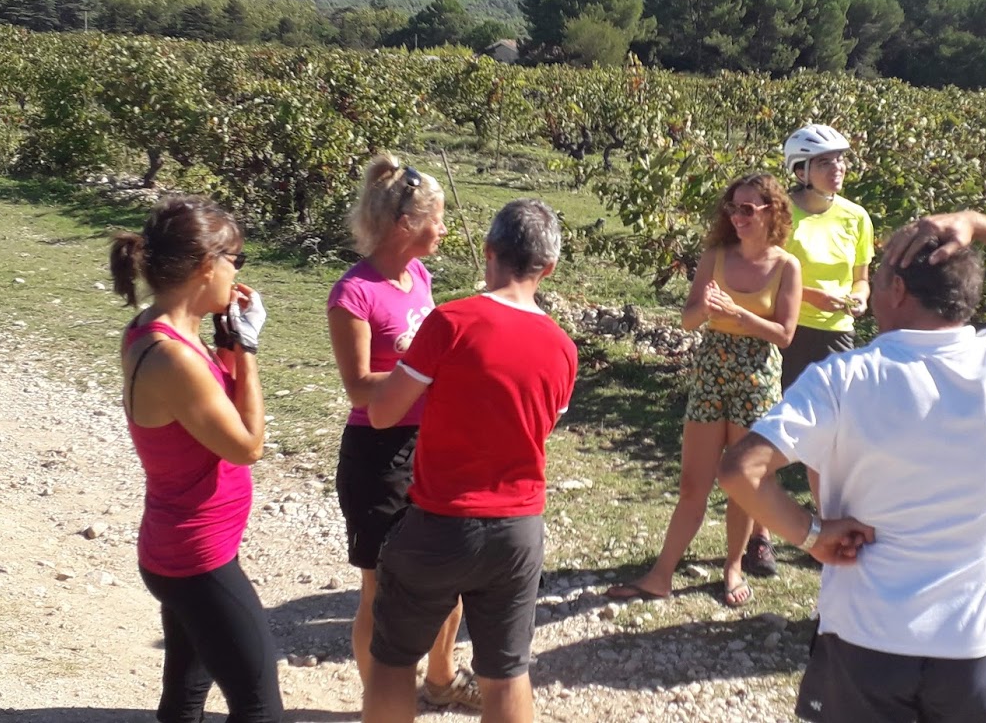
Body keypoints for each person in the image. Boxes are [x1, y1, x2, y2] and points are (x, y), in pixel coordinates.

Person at [720, 210, 986, 723]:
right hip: (973, 648)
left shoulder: (843, 379)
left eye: (881, 269)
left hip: (864, 641)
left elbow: (741, 469)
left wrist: (811, 535)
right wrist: (973, 222)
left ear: (899, 291)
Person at [361, 198, 578, 723]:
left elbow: (383, 415)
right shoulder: (563, 347)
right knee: (506, 673)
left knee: (392, 662)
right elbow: (540, 428)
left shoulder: (450, 321)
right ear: (547, 269)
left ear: (488, 252)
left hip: (440, 521)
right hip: (518, 530)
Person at [110, 195, 282, 723]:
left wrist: (228, 339)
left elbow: (211, 411)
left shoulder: (157, 329)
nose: (239, 272)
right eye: (238, 259)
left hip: (179, 546)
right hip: (197, 556)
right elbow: (246, 445)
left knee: (186, 694)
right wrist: (248, 350)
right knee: (259, 708)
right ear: (209, 265)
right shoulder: (172, 357)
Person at [606, 173, 802, 607]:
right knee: (694, 484)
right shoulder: (715, 255)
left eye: (747, 209)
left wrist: (738, 314)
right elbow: (688, 319)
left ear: (772, 211)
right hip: (711, 372)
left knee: (742, 484)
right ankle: (661, 575)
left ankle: (733, 567)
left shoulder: (787, 266)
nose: (737, 217)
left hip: (756, 379)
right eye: (732, 208)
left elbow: (785, 335)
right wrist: (706, 311)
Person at [326, 155, 479, 709]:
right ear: (405, 224)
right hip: (378, 455)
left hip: (430, 446)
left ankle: (440, 681)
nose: (443, 229)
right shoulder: (353, 294)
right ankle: (381, 704)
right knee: (379, 592)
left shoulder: (418, 275)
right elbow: (360, 386)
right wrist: (428, 376)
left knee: (449, 576)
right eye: (435, 219)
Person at [744, 125, 874, 579]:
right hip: (786, 331)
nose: (837, 168)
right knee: (773, 430)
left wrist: (859, 296)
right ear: (800, 170)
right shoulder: (782, 216)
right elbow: (765, 274)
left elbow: (861, 275)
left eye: (840, 160)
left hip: (837, 336)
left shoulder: (857, 217)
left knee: (832, 439)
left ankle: (825, 526)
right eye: (825, 162)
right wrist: (811, 296)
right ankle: (760, 538)